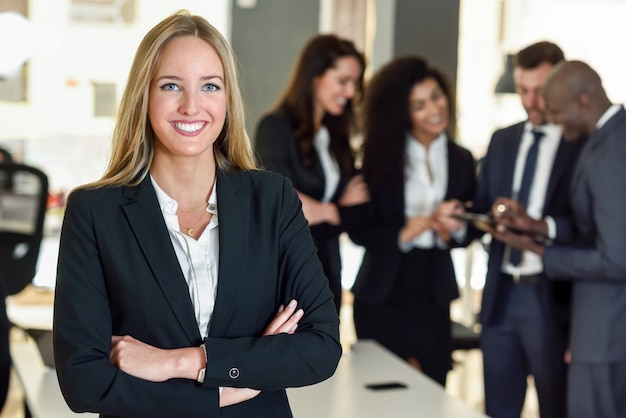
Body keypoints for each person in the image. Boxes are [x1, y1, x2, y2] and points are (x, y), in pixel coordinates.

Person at [52, 11, 341, 418]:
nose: (192, 106)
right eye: (171, 85)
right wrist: (232, 385)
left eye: (210, 86)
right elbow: (84, 382)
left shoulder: (272, 199)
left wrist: (180, 362)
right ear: (144, 96)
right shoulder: (94, 213)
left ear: (227, 99)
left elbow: (321, 347)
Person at [492, 60, 626, 418]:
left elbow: (616, 258)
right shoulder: (607, 138)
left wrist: (539, 252)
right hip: (599, 329)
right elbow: (601, 229)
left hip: (606, 332)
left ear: (583, 100)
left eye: (555, 110)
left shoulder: (612, 152)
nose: (550, 118)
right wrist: (537, 227)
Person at [468, 41, 585, 418]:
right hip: (501, 296)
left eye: (540, 91)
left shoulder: (583, 144)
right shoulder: (502, 140)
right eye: (522, 90)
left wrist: (539, 226)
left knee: (557, 406)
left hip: (551, 298)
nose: (531, 101)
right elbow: (484, 204)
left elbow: (591, 226)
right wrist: (477, 215)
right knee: (498, 409)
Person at [344, 56, 476, 386]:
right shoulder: (378, 159)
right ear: (402, 113)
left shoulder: (462, 160)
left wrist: (456, 228)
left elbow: (473, 225)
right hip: (382, 292)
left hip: (434, 292)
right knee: (378, 395)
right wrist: (401, 234)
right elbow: (359, 229)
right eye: (418, 104)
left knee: (431, 393)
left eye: (436, 96)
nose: (433, 109)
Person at [254, 34, 369, 314]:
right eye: (343, 81)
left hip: (328, 266)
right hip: (286, 269)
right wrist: (335, 211)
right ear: (315, 76)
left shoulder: (334, 138)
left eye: (355, 83)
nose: (351, 92)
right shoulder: (275, 128)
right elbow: (282, 204)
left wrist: (324, 211)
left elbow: (361, 207)